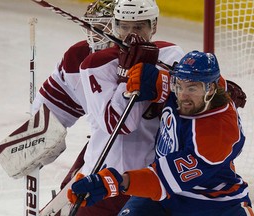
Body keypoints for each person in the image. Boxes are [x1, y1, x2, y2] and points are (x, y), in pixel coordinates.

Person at [68, 50, 254, 216]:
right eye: (179, 86)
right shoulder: (199, 87)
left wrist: (111, 183)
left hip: (213, 203)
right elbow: (169, 83)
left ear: (211, 89)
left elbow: (159, 181)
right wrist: (152, 78)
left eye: (191, 88)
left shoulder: (217, 137)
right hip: (165, 199)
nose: (182, 96)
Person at [69, 0, 185, 215]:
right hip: (103, 178)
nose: (131, 35)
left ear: (154, 26)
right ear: (115, 26)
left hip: (150, 180)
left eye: (139, 27)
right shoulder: (95, 64)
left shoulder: (171, 54)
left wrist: (164, 82)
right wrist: (126, 77)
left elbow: (190, 106)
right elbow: (120, 125)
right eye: (124, 27)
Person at [31, 0, 115, 193]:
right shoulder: (78, 58)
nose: (96, 35)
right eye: (93, 27)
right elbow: (50, 111)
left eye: (103, 27)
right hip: (102, 148)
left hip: (147, 162)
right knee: (70, 196)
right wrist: (35, 139)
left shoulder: (150, 59)